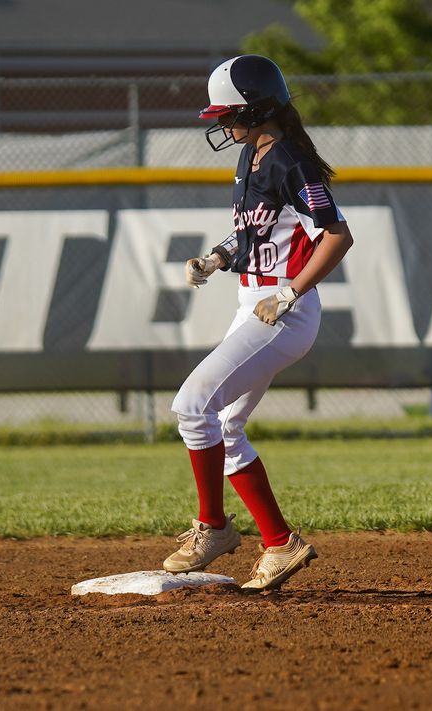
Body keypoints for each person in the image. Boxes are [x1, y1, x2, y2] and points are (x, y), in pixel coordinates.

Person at [163, 55, 353, 591]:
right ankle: (279, 544)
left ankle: (213, 527)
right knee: (223, 426)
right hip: (255, 305)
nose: (223, 124)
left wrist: (291, 294)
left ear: (259, 108)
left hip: (282, 313)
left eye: (229, 114)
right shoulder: (253, 155)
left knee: (191, 405)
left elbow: (336, 236)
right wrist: (219, 257)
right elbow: (259, 235)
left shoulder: (289, 158)